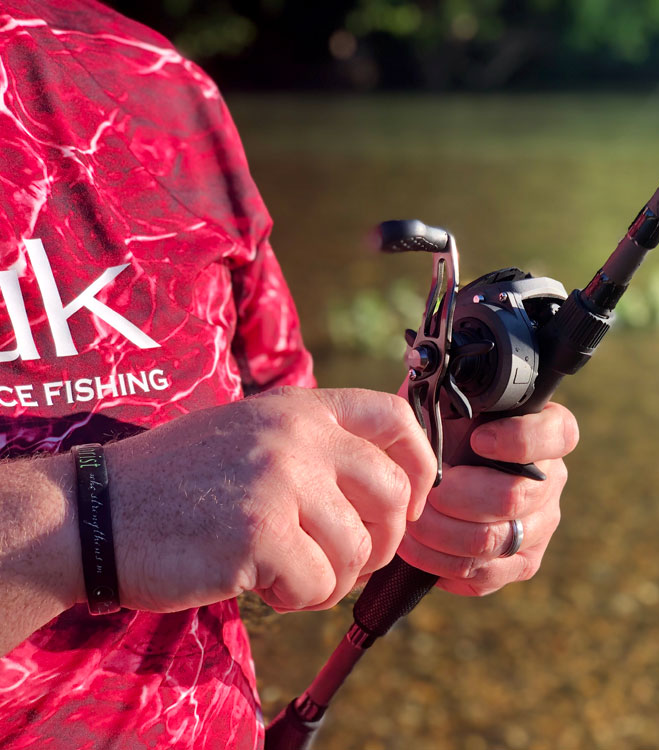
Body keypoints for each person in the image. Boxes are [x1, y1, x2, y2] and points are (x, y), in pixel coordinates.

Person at [0, 2, 578, 748]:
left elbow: (258, 516)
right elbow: (149, 510)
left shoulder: (153, 85)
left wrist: (424, 489)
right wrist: (92, 519)